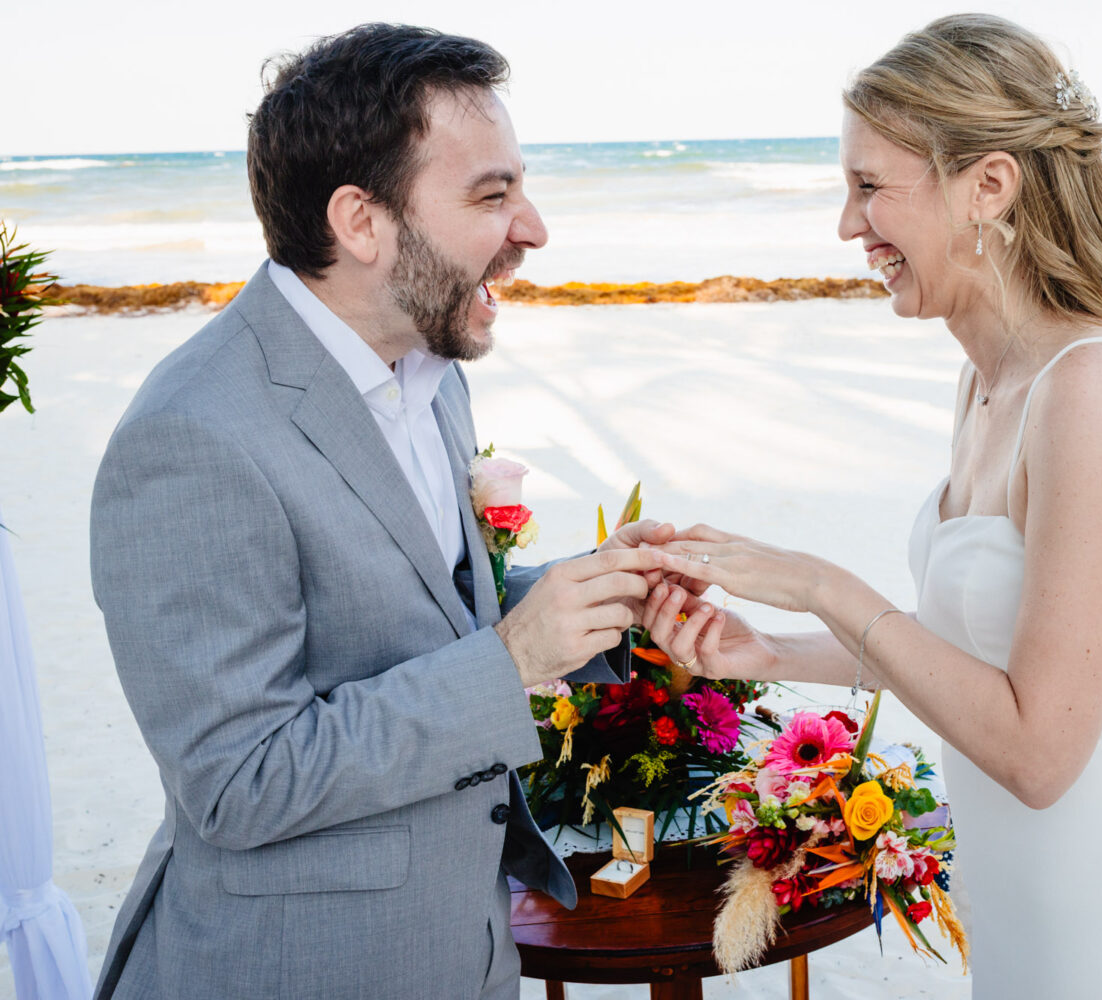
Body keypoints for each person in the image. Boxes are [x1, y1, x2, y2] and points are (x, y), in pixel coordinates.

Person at [642, 14, 1102, 998]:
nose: (848, 226)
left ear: (987, 186)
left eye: (870, 187)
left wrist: (820, 585)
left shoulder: (1094, 390)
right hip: (1022, 886)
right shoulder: (991, 379)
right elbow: (976, 648)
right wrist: (768, 652)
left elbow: (1040, 751)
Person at [88, 25, 672, 1000]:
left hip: (464, 955)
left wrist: (604, 597)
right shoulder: (191, 437)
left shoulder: (433, 376)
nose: (532, 228)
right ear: (362, 222)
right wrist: (516, 658)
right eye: (493, 195)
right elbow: (240, 781)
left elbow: (419, 623)